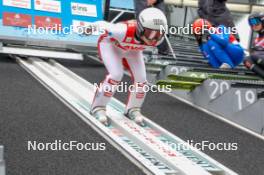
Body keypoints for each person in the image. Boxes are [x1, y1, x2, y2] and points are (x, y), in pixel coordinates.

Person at [86, 8, 167, 126]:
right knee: (115, 75)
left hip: (132, 50)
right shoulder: (121, 30)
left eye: (159, 34)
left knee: (142, 80)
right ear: (140, 29)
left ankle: (133, 109)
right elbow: (101, 24)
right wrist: (88, 28)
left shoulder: (159, 39)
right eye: (151, 33)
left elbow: (155, 39)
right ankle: (98, 107)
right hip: (111, 45)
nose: (154, 39)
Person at [244, 13, 264, 78]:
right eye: (251, 24)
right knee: (246, 60)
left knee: (254, 55)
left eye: (257, 23)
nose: (254, 26)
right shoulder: (256, 40)